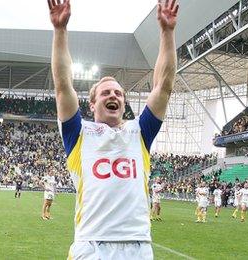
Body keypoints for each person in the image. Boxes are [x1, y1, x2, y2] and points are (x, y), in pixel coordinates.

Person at [47, 0, 178, 258]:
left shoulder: (139, 132)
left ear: (123, 103)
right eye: (106, 92)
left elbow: (163, 86)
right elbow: (63, 85)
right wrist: (60, 31)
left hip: (138, 245)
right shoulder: (78, 134)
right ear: (93, 103)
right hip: (92, 244)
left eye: (119, 93)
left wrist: (167, 32)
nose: (114, 96)